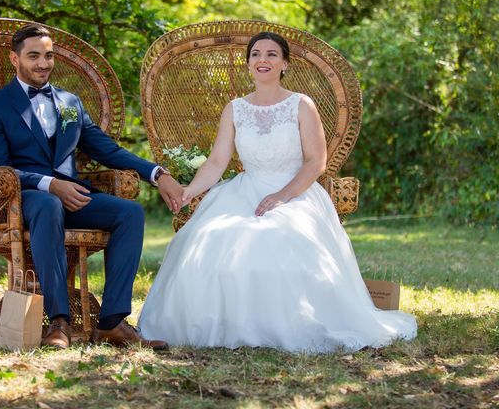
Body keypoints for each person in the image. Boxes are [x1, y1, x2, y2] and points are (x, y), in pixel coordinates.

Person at [138, 32, 417, 352]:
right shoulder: (235, 109)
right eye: (256, 54)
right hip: (244, 190)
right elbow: (217, 162)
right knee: (210, 235)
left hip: (296, 191)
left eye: (272, 54)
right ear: (248, 64)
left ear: (284, 63)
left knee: (277, 236)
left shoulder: (301, 104)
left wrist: (283, 196)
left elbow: (316, 163)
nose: (263, 60)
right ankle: (224, 326)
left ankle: (289, 325)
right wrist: (189, 192)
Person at [0, 24, 182, 350]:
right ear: (15, 59)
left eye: (48, 55)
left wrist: (158, 174)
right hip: (25, 201)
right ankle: (59, 321)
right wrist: (50, 184)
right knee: (48, 204)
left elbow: (108, 150)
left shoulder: (70, 102)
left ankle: (112, 323)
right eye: (34, 56)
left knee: (129, 213)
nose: (43, 63)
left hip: (73, 197)